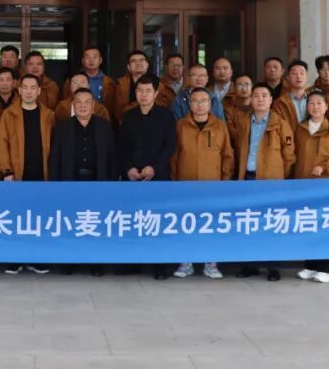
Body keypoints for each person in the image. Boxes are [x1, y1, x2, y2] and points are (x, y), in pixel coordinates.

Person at [49, 88, 116, 277]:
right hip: (70, 181)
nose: (83, 106)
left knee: (94, 223)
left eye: (87, 102)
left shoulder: (104, 126)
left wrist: (112, 183)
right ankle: (69, 261)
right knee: (71, 222)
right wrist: (55, 184)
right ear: (73, 105)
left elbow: (112, 157)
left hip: (97, 181)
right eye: (79, 102)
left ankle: (95, 263)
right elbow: (55, 158)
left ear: (93, 106)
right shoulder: (63, 127)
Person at [171, 87, 234, 281]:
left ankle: (211, 263)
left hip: (212, 185)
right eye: (195, 101)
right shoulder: (181, 125)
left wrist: (225, 181)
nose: (199, 105)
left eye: (204, 101)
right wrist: (174, 181)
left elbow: (227, 155)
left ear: (210, 104)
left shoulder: (220, 126)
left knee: (211, 225)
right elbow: (174, 156)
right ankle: (186, 262)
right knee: (186, 224)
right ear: (189, 104)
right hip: (185, 183)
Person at [0, 73, 55, 275]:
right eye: (25, 87)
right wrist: (6, 170)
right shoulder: (9, 114)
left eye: (33, 87)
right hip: (16, 175)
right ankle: (15, 259)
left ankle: (37, 258)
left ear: (39, 91)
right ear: (19, 90)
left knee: (39, 218)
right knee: (15, 218)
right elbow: (1, 143)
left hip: (41, 174)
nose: (29, 91)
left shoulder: (48, 115)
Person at [234, 83, 295, 281]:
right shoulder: (244, 122)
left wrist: (278, 175)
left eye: (264, 95)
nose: (260, 99)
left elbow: (289, 156)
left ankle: (273, 266)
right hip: (248, 179)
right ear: (251, 100)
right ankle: (250, 265)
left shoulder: (281, 124)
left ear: (271, 100)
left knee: (272, 224)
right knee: (249, 224)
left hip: (272, 182)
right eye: (256, 95)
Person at [119, 73, 177, 280]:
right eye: (139, 90)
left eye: (148, 91)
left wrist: (155, 167)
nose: (143, 95)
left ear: (156, 92)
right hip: (133, 177)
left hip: (157, 177)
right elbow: (121, 146)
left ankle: (159, 265)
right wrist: (128, 168)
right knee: (134, 220)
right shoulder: (128, 116)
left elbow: (170, 146)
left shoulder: (166, 117)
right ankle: (133, 262)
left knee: (157, 221)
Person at [293, 89, 329, 284]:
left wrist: (325, 167)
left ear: (326, 107)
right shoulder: (300, 128)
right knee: (308, 224)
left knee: (326, 225)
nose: (315, 107)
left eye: (319, 103)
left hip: (327, 186)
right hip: (304, 185)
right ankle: (310, 265)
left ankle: (327, 268)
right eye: (311, 103)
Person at [64, 46, 116, 113]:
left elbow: (112, 106)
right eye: (88, 57)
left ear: (100, 60)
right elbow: (65, 102)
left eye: (95, 57)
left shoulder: (109, 82)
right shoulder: (71, 80)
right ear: (83, 61)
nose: (91, 60)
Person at [113, 50, 150, 122]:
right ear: (129, 67)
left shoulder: (158, 84)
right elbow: (118, 111)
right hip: (127, 122)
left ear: (147, 65)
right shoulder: (120, 84)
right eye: (134, 61)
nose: (138, 63)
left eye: (141, 60)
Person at [272, 60, 310, 129]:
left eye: (302, 73)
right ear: (288, 78)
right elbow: (278, 128)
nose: (298, 76)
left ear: (307, 77)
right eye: (294, 73)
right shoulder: (279, 103)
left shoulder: (316, 99)